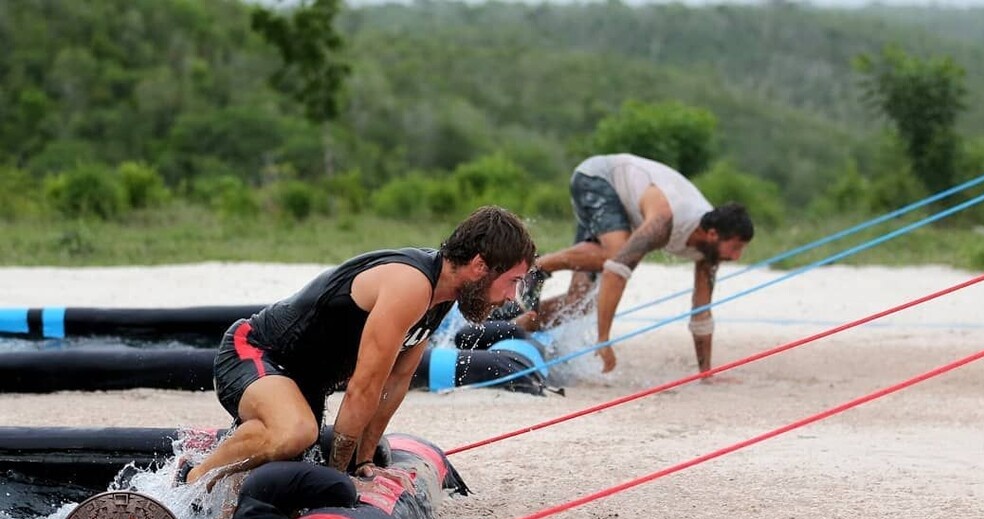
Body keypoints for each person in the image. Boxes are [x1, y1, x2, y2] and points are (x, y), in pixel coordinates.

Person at [183, 205, 536, 490]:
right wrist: (337, 474)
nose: (511, 296)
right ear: (479, 266)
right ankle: (191, 480)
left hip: (300, 384)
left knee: (295, 445)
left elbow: (395, 384)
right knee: (296, 432)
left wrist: (364, 462)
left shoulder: (441, 295)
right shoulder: (410, 285)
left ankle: (212, 472)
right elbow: (363, 387)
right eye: (512, 282)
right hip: (255, 352)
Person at [515, 153, 753, 374]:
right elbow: (615, 272)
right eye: (735, 248)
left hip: (626, 210)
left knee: (580, 299)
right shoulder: (664, 221)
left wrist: (706, 373)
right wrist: (604, 340)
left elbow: (702, 311)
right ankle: (540, 266)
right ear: (712, 234)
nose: (736, 257)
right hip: (597, 179)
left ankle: (515, 325)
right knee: (616, 254)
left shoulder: (709, 252)